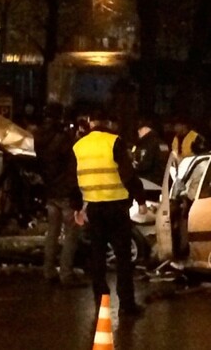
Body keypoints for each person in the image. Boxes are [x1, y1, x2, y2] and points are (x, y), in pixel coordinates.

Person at [70, 110, 148, 316]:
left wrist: (77, 207)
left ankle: (101, 299)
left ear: (90, 122)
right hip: (117, 207)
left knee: (97, 255)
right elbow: (128, 174)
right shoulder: (114, 142)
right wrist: (141, 200)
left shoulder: (78, 146)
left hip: (94, 207)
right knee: (123, 258)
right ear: (108, 123)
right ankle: (126, 304)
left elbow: (72, 179)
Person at [34, 103, 87, 287]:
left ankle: (48, 271)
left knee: (52, 233)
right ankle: (66, 274)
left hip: (50, 191)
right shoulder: (63, 139)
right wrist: (76, 195)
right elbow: (71, 168)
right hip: (65, 192)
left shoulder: (39, 137)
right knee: (72, 233)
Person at [132, 117, 169, 187]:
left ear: (146, 129)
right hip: (161, 181)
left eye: (140, 129)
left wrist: (133, 166)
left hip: (148, 180)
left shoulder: (146, 144)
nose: (138, 132)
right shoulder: (162, 143)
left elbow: (144, 165)